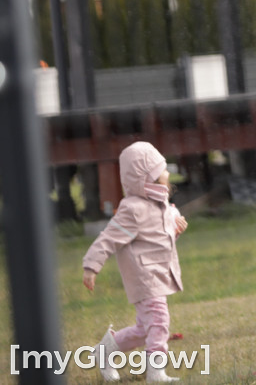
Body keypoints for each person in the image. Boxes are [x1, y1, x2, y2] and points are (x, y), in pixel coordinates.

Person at [82, 141, 188, 382]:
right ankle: (156, 372)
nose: (168, 173)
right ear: (147, 179)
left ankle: (104, 351)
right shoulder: (132, 209)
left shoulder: (166, 208)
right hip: (144, 276)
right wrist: (91, 265)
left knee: (144, 330)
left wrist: (177, 230)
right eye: (162, 170)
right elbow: (108, 238)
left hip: (157, 274)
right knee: (159, 321)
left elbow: (160, 240)